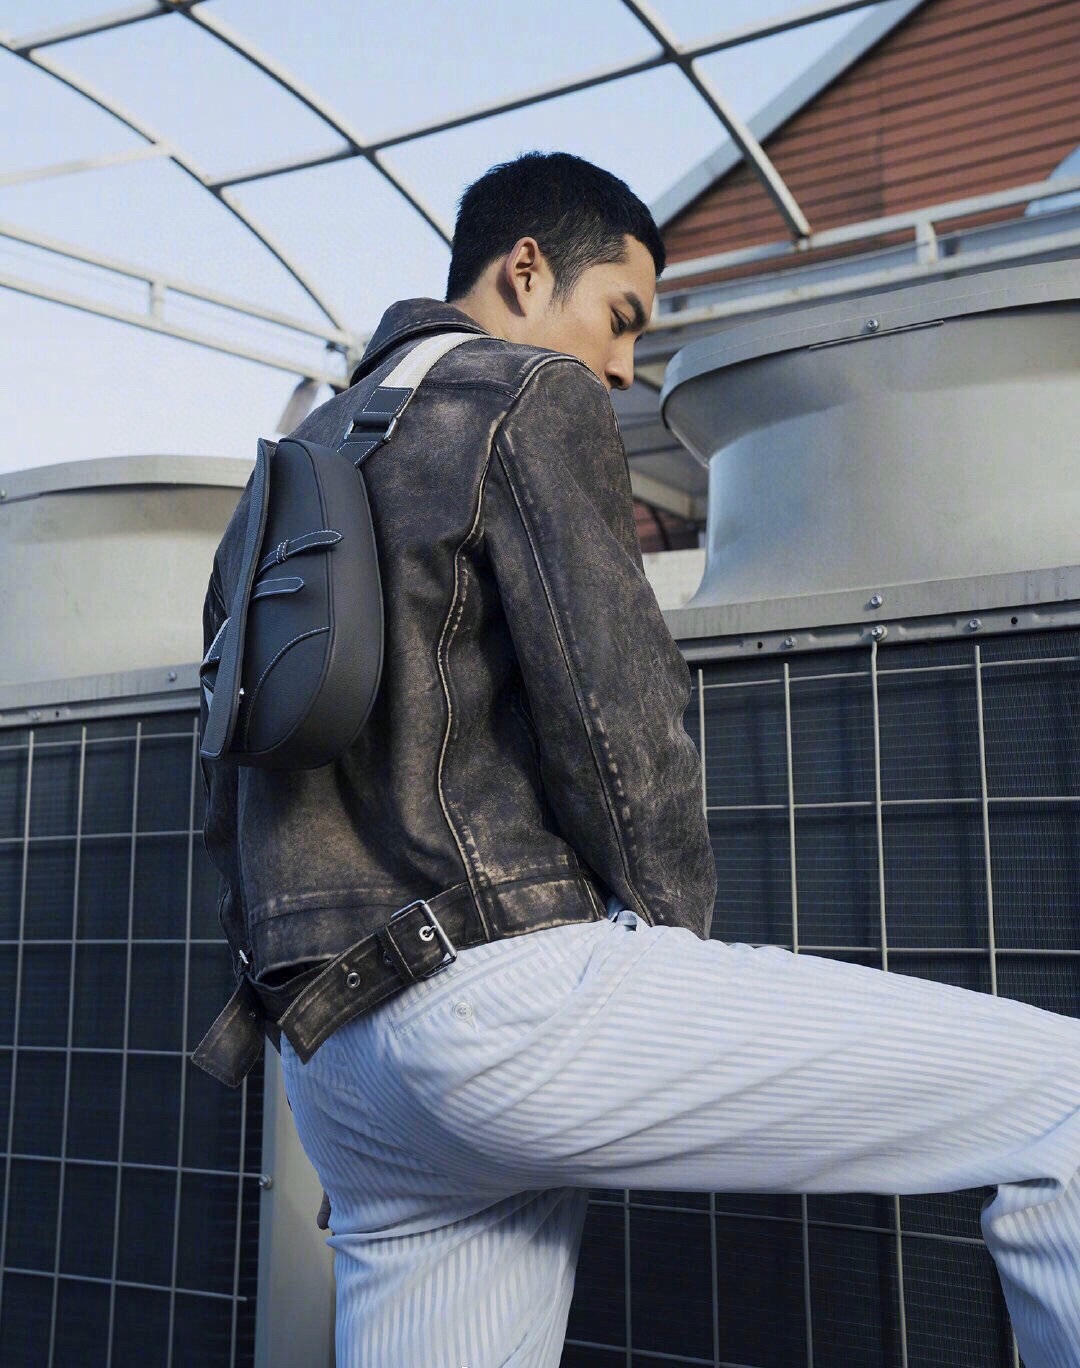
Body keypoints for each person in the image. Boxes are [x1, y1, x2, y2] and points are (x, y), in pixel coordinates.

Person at [198, 152, 1080, 1368]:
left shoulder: (294, 462)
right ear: (526, 270)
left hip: (336, 1064)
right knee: (1065, 1103)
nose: (622, 365)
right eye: (621, 316)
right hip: (498, 1009)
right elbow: (618, 715)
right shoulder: (522, 393)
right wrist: (670, 951)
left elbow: (233, 777)